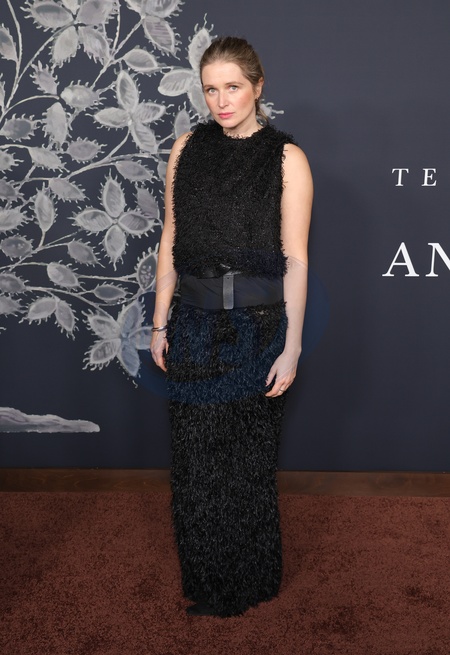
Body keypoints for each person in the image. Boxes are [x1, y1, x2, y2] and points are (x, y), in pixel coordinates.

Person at [150, 36, 313, 618]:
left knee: (245, 462)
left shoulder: (286, 159)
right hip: (192, 323)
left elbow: (296, 259)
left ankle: (251, 580)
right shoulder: (186, 148)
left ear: (258, 86)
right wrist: (159, 323)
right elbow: (171, 238)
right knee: (195, 461)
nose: (221, 101)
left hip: (257, 329)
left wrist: (292, 346)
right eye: (211, 90)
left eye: (233, 87)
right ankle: (207, 582)